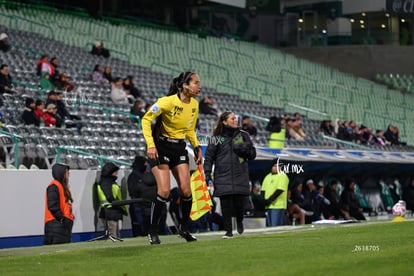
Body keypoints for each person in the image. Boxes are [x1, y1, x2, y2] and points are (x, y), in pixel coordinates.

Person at [141, 71, 203, 244]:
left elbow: (190, 129)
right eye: (196, 83)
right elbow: (146, 120)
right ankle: (152, 231)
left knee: (186, 191)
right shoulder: (166, 102)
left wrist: (197, 147)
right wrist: (150, 145)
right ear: (184, 85)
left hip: (179, 147)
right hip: (160, 147)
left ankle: (184, 229)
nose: (199, 86)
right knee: (164, 191)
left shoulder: (195, 105)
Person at [204, 111, 256, 238]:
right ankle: (228, 231)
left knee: (239, 203)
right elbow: (209, 157)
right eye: (232, 119)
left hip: (240, 174)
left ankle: (239, 219)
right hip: (222, 175)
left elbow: (252, 154)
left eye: (236, 118)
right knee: (225, 204)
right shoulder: (217, 138)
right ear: (224, 121)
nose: (235, 120)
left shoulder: (243, 135)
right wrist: (207, 173)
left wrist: (244, 149)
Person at [127, 156, 166, 237]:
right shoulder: (135, 176)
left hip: (142, 206)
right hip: (140, 206)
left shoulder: (138, 176)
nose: (146, 165)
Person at [44, 163, 74, 245]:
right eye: (67, 172)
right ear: (61, 173)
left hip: (60, 226)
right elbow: (52, 206)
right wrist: (62, 219)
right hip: (55, 226)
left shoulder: (60, 186)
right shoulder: (53, 187)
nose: (69, 174)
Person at [96, 162, 128, 238]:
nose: (116, 173)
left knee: (115, 235)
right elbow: (109, 197)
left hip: (112, 211)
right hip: (110, 211)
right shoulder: (106, 183)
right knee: (113, 235)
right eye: (115, 171)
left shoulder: (108, 182)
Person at [261, 159, 289, 227]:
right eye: (275, 166)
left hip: (278, 205)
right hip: (268, 206)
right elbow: (263, 190)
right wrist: (263, 201)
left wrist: (269, 200)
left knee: (275, 226)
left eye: (279, 166)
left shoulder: (283, 176)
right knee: (270, 226)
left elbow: (279, 190)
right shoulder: (267, 177)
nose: (277, 168)